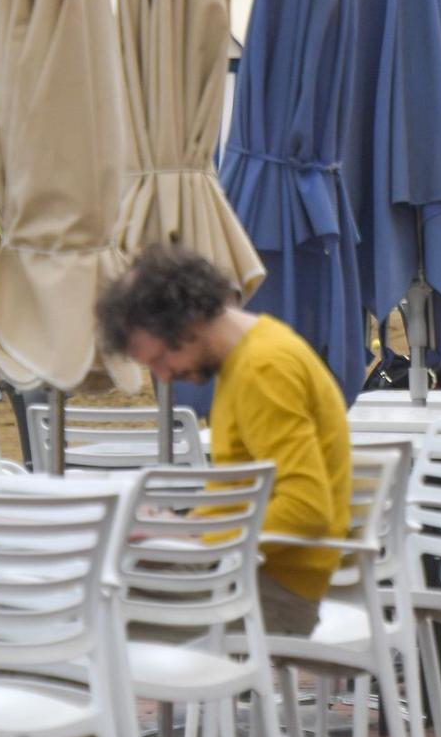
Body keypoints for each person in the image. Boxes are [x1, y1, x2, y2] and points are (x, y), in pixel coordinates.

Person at [95, 245, 353, 633]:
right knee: (89, 592)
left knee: (77, 611)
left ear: (188, 325)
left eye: (160, 359)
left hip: (271, 592)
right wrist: (184, 528)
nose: (163, 377)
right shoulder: (252, 353)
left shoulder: (263, 369)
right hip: (255, 575)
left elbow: (307, 510)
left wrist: (196, 541)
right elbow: (249, 494)